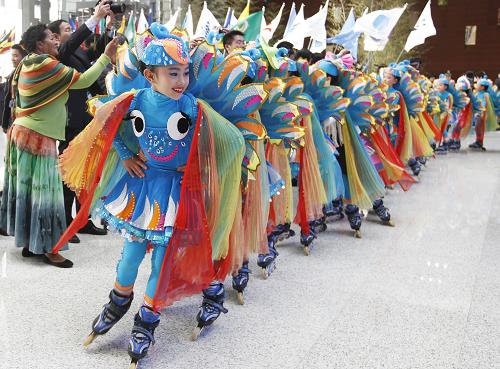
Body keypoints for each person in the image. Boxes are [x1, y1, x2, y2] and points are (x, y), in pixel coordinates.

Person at [0, 23, 117, 267]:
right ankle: (50, 249)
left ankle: (31, 244)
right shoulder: (45, 64)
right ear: (40, 44)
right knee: (46, 197)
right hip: (37, 138)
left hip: (23, 135)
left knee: (29, 195)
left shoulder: (27, 62)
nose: (56, 41)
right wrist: (107, 56)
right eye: (51, 37)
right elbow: (84, 80)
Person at [48, 1, 114, 242]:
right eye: (67, 28)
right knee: (68, 174)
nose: (71, 31)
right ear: (54, 37)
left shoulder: (78, 53)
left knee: (85, 173)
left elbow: (97, 59)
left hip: (87, 119)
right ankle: (67, 222)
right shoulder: (61, 53)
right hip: (71, 121)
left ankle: (82, 220)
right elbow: (74, 40)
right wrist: (94, 18)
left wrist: (107, 27)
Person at [1, 44, 27, 133]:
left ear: (24, 57)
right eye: (12, 55)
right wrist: (5, 123)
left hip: (23, 123)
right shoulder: (11, 75)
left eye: (16, 56)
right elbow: (8, 100)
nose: (12, 59)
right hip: (12, 122)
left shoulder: (26, 75)